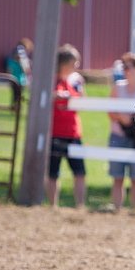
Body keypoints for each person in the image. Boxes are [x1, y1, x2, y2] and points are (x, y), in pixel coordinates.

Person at [107, 52, 135, 210]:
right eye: (124, 67)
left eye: (129, 66)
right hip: (118, 135)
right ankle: (117, 208)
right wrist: (122, 118)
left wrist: (132, 121)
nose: (126, 70)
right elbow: (110, 112)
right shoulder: (118, 87)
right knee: (117, 177)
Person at [46, 44, 86, 208]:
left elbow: (81, 100)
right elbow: (51, 96)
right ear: (65, 64)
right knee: (53, 172)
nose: (76, 67)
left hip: (73, 133)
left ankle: (80, 205)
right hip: (55, 132)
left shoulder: (72, 82)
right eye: (74, 63)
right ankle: (52, 205)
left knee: (80, 172)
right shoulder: (52, 81)